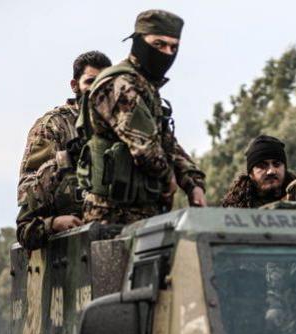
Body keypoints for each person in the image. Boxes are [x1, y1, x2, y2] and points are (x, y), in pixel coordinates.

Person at [79, 9, 206, 225]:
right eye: (158, 44)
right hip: (112, 216)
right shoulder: (118, 83)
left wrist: (193, 183)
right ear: (138, 41)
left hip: (145, 213)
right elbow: (145, 148)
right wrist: (169, 181)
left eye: (173, 47)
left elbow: (166, 144)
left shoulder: (145, 85)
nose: (166, 53)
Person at [15, 51, 111, 249]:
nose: (96, 89)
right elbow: (30, 193)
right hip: (67, 243)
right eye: (90, 81)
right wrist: (53, 223)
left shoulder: (118, 125)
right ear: (75, 85)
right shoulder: (53, 126)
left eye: (103, 82)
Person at [221, 136, 295, 208]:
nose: (271, 171)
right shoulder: (236, 209)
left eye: (276, 164)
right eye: (262, 166)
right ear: (251, 173)